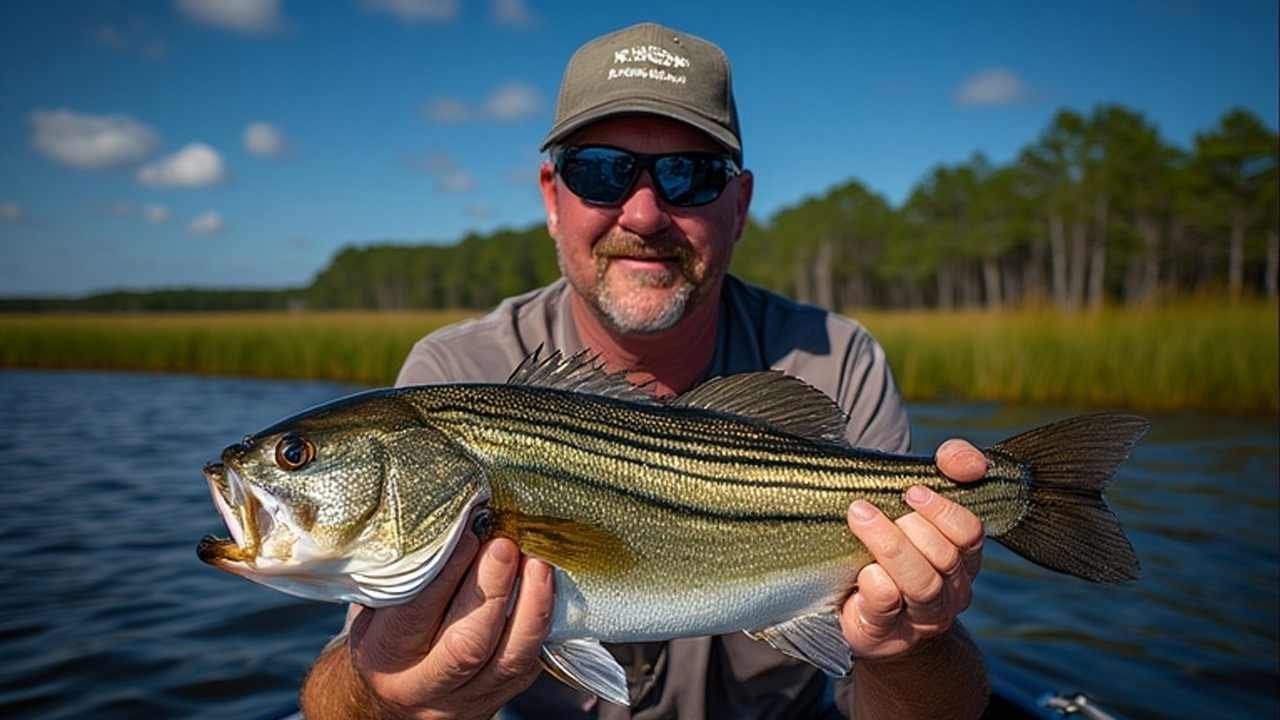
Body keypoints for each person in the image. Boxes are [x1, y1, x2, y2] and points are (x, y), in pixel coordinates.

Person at [301, 22, 991, 719]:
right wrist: (387, 696)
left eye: (688, 176)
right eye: (599, 171)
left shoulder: (835, 360)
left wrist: (913, 645)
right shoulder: (454, 374)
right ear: (551, 196)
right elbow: (341, 688)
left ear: (741, 205)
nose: (643, 212)